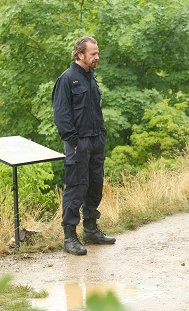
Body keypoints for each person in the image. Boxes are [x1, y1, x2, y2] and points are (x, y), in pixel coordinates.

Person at [52, 36, 115, 256]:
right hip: (78, 143)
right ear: (80, 55)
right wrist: (74, 141)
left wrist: (102, 135)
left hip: (96, 140)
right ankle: (70, 237)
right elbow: (61, 115)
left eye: (97, 53)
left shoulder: (91, 77)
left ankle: (91, 230)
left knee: (95, 184)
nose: (97, 57)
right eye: (93, 54)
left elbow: (95, 111)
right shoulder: (67, 79)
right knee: (76, 186)